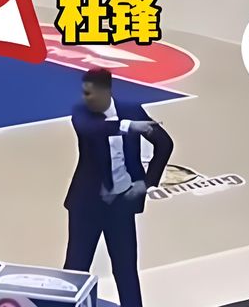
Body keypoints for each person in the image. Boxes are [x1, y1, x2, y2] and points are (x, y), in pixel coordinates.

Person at [63, 69, 174, 307]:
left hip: (121, 205)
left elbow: (165, 143)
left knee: (126, 272)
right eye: (84, 92)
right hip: (86, 205)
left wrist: (147, 183)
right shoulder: (80, 112)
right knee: (75, 269)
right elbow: (93, 130)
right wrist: (129, 126)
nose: (86, 98)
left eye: (90, 93)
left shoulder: (131, 109)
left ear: (106, 91)